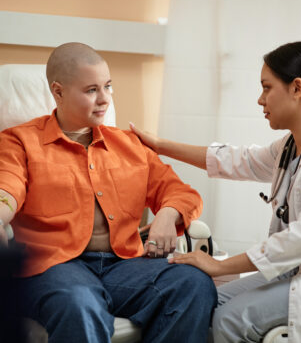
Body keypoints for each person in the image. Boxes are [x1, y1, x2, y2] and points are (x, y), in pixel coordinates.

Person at [130, 41, 301, 343]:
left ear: (297, 88)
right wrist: (159, 145)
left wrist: (220, 265)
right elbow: (237, 159)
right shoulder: (292, 145)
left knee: (230, 321)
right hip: (296, 267)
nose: (260, 100)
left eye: (267, 88)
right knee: (208, 301)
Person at [0, 42, 217, 343]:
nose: (104, 99)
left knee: (192, 283)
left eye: (108, 86)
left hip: (124, 266)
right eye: (91, 90)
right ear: (58, 92)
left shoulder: (129, 145)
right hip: (54, 267)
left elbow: (180, 191)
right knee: (80, 303)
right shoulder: (19, 142)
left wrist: (168, 214)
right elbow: (6, 188)